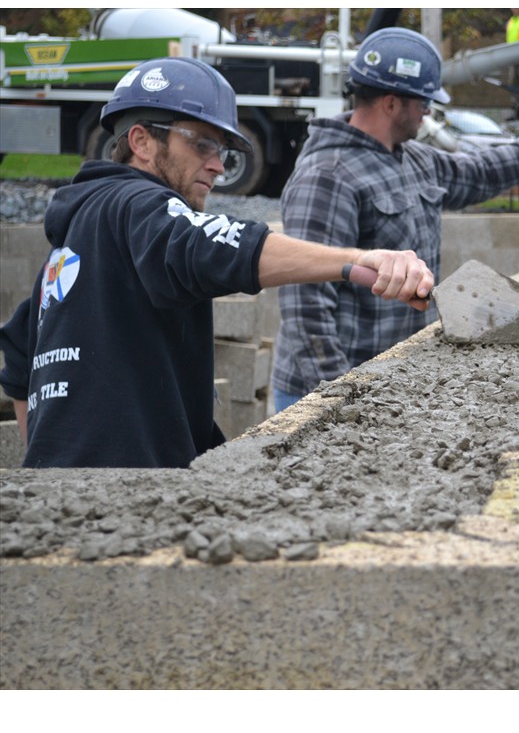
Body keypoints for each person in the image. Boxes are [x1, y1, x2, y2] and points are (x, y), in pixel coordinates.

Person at [0, 57, 434, 469]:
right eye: (204, 143)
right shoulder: (137, 204)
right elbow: (222, 245)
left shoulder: (69, 246)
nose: (218, 166)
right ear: (142, 141)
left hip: (64, 495)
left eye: (224, 151)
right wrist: (357, 260)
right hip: (124, 496)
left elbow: (20, 360)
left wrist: (47, 469)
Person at [271, 26, 519, 413]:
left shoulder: (411, 159)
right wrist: (339, 401)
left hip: (385, 379)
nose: (427, 112)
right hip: (327, 388)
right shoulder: (327, 176)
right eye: (422, 102)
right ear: (390, 103)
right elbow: (306, 306)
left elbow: (481, 171)